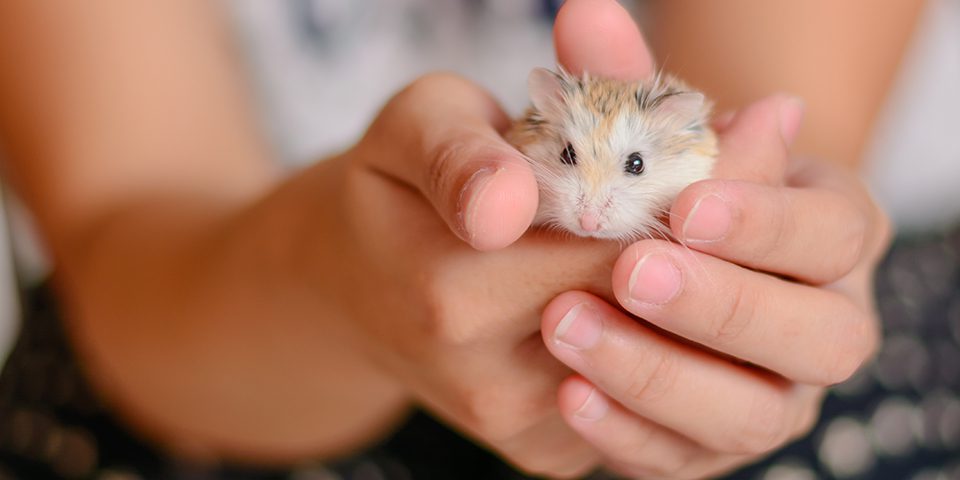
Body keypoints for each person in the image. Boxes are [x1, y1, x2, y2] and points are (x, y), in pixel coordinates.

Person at [0, 0, 943, 478]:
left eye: (632, 176)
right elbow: (124, 216)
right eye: (569, 161)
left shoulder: (683, 138)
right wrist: (328, 277)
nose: (588, 208)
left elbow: (781, 97)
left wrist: (780, 222)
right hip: (195, 337)